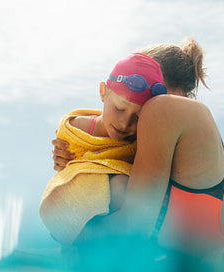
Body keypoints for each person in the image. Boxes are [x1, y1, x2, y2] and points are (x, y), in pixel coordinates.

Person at [52, 38, 224, 259]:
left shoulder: (163, 107)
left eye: (139, 111)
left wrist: (68, 237)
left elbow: (133, 227)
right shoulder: (199, 122)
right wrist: (76, 157)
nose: (129, 124)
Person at [39, 52, 167, 247]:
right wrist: (65, 165)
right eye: (120, 109)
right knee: (121, 187)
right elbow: (69, 170)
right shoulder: (78, 129)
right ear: (103, 92)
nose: (125, 123)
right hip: (77, 199)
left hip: (112, 215)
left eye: (138, 118)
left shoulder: (142, 140)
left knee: (127, 189)